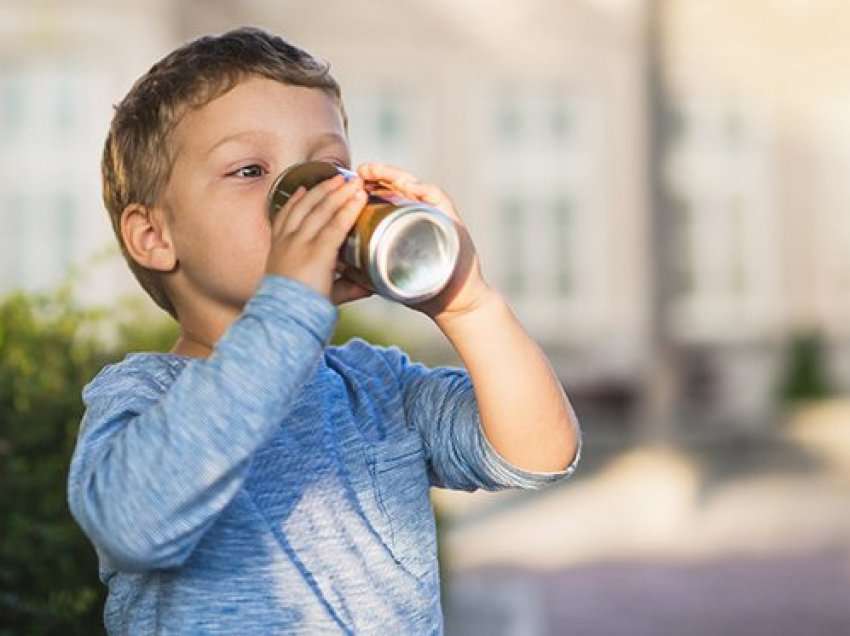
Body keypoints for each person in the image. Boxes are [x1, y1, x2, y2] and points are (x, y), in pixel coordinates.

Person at [67, 26, 582, 635]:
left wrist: (469, 306)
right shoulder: (141, 396)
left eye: (328, 169)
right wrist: (287, 307)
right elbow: (135, 524)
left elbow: (538, 454)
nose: (306, 197)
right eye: (251, 170)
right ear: (155, 236)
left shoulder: (375, 386)